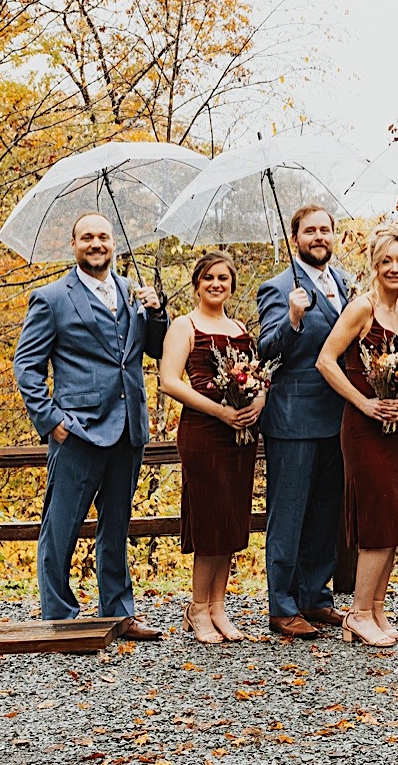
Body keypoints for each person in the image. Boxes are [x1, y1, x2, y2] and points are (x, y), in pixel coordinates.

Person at [12, 212, 167, 639]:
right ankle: (60, 617)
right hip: (77, 429)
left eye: (102, 236)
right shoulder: (52, 297)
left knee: (116, 525)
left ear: (113, 242)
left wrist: (157, 314)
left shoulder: (134, 292)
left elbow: (154, 350)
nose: (96, 244)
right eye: (87, 238)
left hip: (129, 427)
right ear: (74, 244)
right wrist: (51, 420)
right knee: (61, 527)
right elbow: (26, 366)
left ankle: (118, 612)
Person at [315, 227, 398, 647]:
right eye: (386, 261)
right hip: (365, 426)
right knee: (375, 515)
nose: (394, 268)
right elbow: (325, 361)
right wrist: (364, 404)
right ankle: (357, 613)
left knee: (393, 517)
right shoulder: (363, 307)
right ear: (374, 265)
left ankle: (376, 608)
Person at [158, 252, 263, 644]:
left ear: (232, 284)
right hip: (204, 431)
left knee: (232, 518)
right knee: (209, 517)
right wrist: (220, 411)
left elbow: (258, 377)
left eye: (223, 278)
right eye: (208, 278)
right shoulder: (184, 326)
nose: (216, 284)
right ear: (197, 284)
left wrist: (256, 403)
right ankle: (197, 607)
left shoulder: (238, 327)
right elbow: (170, 381)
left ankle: (218, 606)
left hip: (241, 434)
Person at [257, 204, 350, 639]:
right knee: (289, 513)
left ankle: (316, 595)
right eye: (310, 231)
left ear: (334, 236)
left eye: (325, 230)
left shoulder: (344, 284)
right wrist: (292, 319)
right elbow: (266, 352)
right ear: (296, 239)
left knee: (325, 514)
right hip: (294, 418)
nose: (319, 237)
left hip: (340, 416)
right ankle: (282, 604)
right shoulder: (277, 288)